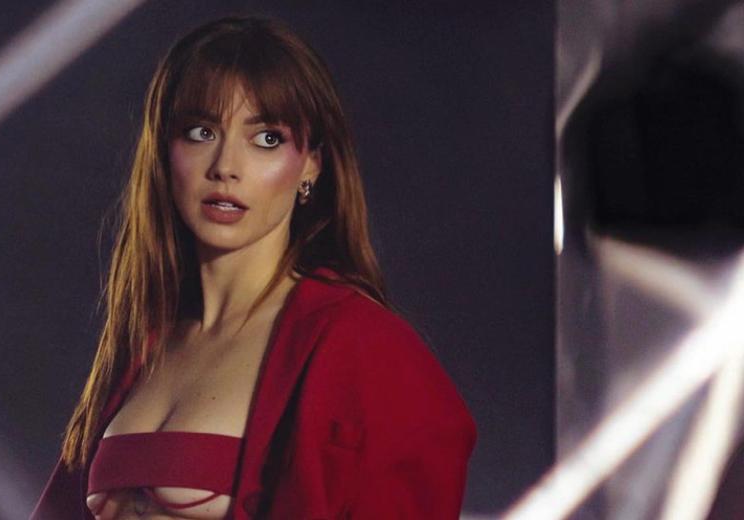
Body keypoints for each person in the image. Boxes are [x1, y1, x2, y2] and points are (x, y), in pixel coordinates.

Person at [30, 15, 475, 520]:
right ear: (163, 151)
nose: (225, 166)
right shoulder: (143, 344)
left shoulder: (367, 349)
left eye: (266, 139)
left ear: (312, 164)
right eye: (201, 132)